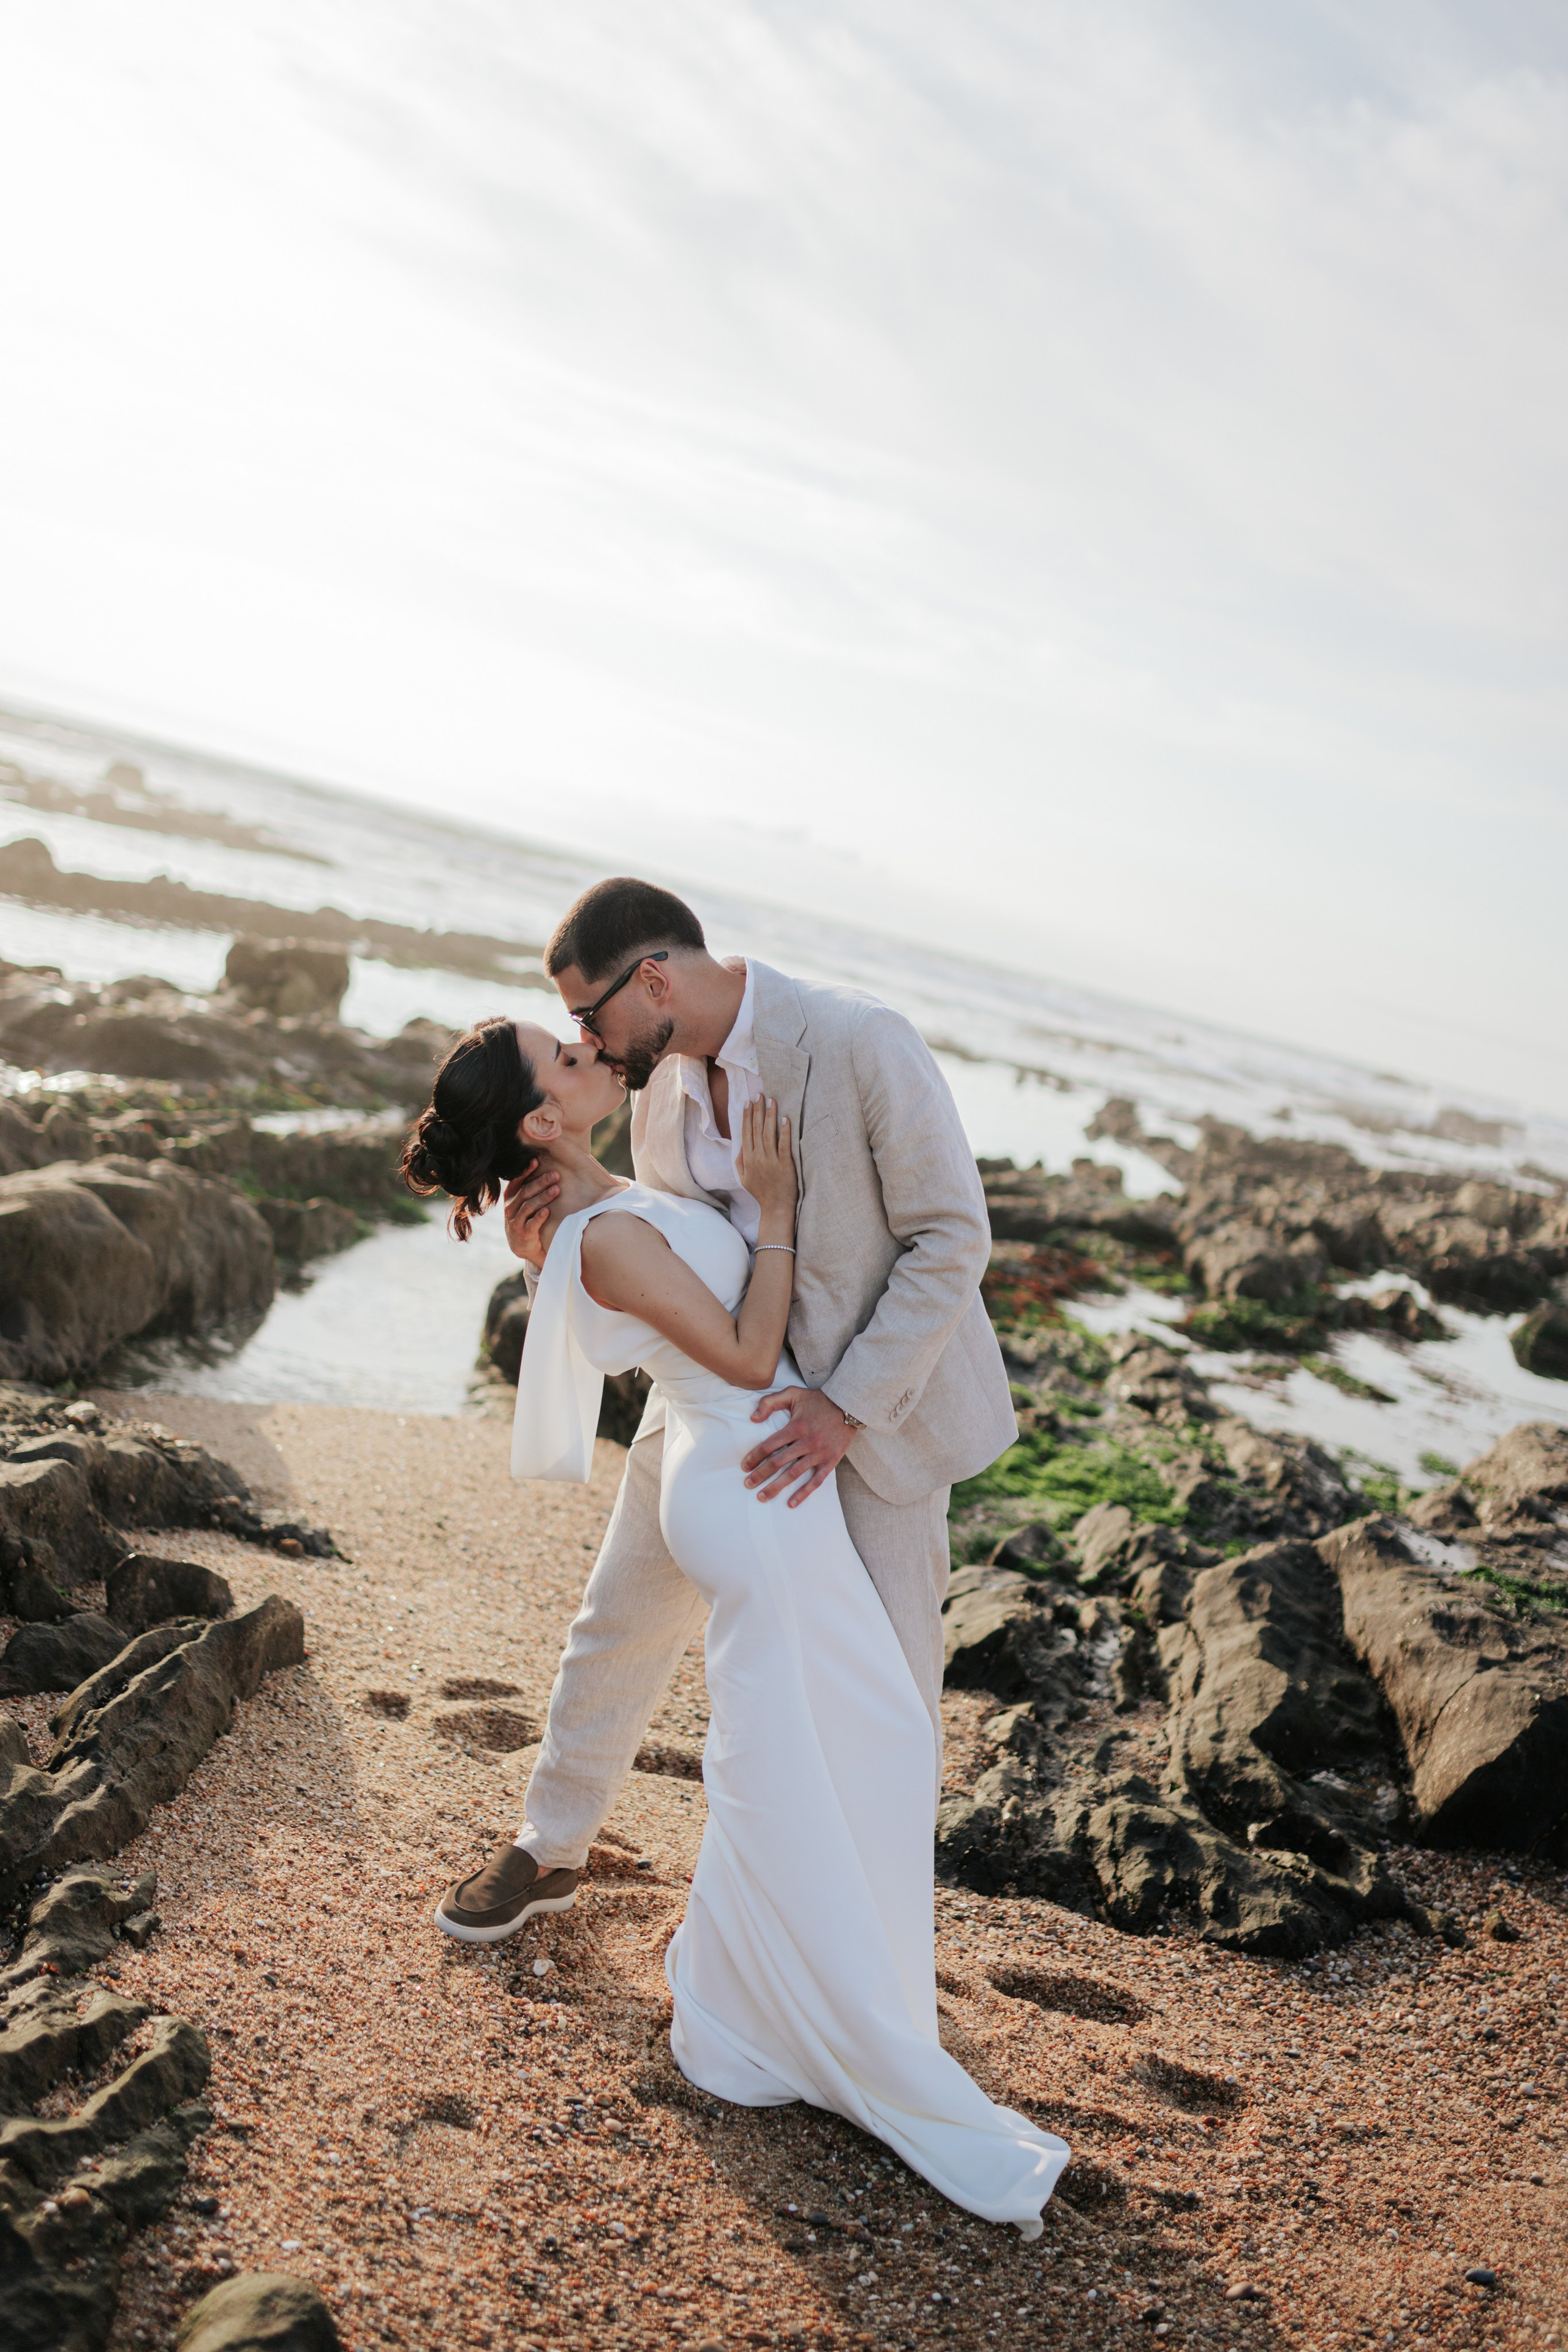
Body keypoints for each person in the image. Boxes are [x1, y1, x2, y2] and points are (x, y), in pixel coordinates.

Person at [401, 1008, 1068, 2233]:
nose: (591, 1047)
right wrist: (774, 1206)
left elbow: (634, 1266)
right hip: (737, 1467)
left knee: (841, 1730)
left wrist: (574, 1241)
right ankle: (746, 1986)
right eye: (567, 1053)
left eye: (585, 1028)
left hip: (746, 1469)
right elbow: (749, 1350)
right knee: (749, 1728)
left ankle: (808, 1976)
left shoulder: (610, 1171)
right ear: (544, 1117)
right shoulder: (582, 1225)